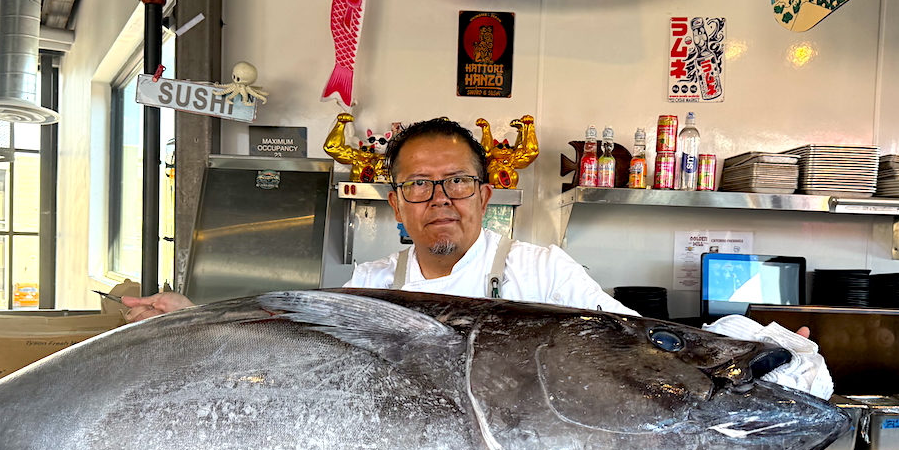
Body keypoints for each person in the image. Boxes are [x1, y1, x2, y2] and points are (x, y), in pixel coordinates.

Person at [121, 118, 634, 322]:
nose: (439, 199)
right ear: (396, 204)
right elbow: (291, 339)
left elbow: (629, 347)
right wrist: (190, 315)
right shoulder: (371, 283)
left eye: (456, 181)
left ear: (485, 195)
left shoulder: (545, 271)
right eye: (417, 184)